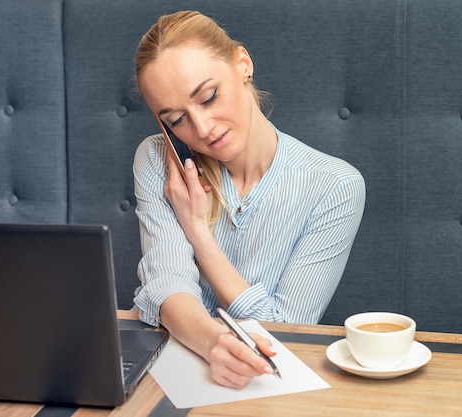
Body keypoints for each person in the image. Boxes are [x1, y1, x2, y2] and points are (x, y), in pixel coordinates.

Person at [132, 10, 365, 389]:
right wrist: (213, 344)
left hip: (266, 386)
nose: (202, 129)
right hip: (169, 376)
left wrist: (197, 232)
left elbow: (286, 329)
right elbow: (167, 285)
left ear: (243, 64)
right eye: (176, 120)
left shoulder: (334, 187)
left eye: (208, 97)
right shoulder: (158, 161)